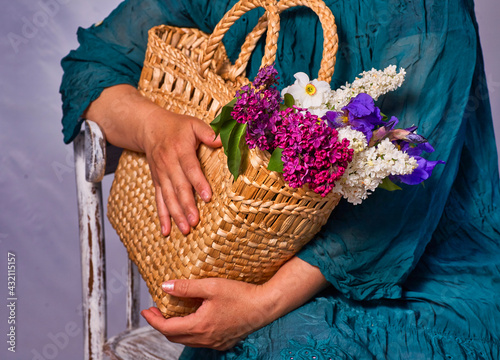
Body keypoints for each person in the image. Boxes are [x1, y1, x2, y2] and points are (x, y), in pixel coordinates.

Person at [60, 0, 500, 358]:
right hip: (256, 256)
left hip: (424, 267)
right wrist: (153, 127)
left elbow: (402, 196)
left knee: (278, 345)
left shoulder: (429, 9)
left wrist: (260, 306)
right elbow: (92, 66)